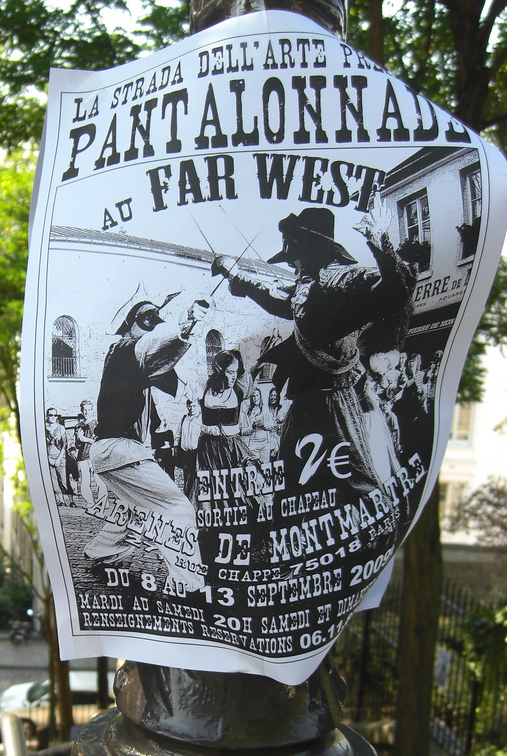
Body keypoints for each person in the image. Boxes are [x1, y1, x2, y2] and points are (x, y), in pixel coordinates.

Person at [212, 205, 416, 496]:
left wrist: (380, 239)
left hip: (336, 397)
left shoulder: (338, 278)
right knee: (291, 472)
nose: (291, 263)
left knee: (357, 478)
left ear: (307, 248)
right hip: (307, 397)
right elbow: (279, 299)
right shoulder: (307, 282)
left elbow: (397, 288)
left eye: (293, 255)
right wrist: (234, 273)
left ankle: (379, 531)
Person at [84, 289, 209, 591]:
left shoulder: (133, 363)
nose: (153, 324)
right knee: (177, 509)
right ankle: (188, 586)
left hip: (110, 451)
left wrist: (186, 330)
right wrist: (184, 324)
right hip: (118, 449)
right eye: (147, 319)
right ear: (129, 324)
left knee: (135, 510)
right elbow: (153, 346)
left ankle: (102, 555)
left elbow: (164, 367)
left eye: (156, 319)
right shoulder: (123, 347)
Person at [197, 349, 254, 477]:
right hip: (208, 448)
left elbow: (249, 377)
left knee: (233, 485)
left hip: (231, 447)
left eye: (236, 372)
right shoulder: (204, 389)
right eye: (230, 372)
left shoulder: (238, 390)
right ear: (220, 372)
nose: (234, 376)